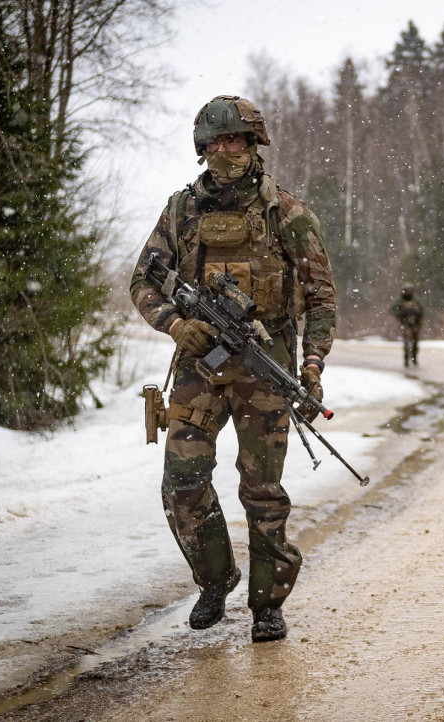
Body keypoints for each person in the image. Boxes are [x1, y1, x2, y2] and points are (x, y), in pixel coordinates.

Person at [129, 95, 337, 641]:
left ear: (254, 146)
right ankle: (215, 580)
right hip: (200, 367)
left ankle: (268, 604)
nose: (227, 152)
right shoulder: (181, 211)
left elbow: (321, 301)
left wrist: (311, 367)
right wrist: (176, 325)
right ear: (203, 148)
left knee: (262, 490)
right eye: (217, 143)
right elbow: (143, 281)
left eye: (236, 142)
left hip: (264, 366)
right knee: (182, 480)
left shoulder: (288, 214)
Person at [389, 283, 423, 367]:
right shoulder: (400, 301)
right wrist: (402, 313)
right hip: (405, 323)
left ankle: (414, 358)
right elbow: (393, 310)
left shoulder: (416, 300)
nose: (408, 292)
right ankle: (406, 358)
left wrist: (417, 315)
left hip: (415, 323)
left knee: (415, 342)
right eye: (407, 290)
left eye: (410, 290)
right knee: (406, 343)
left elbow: (421, 310)